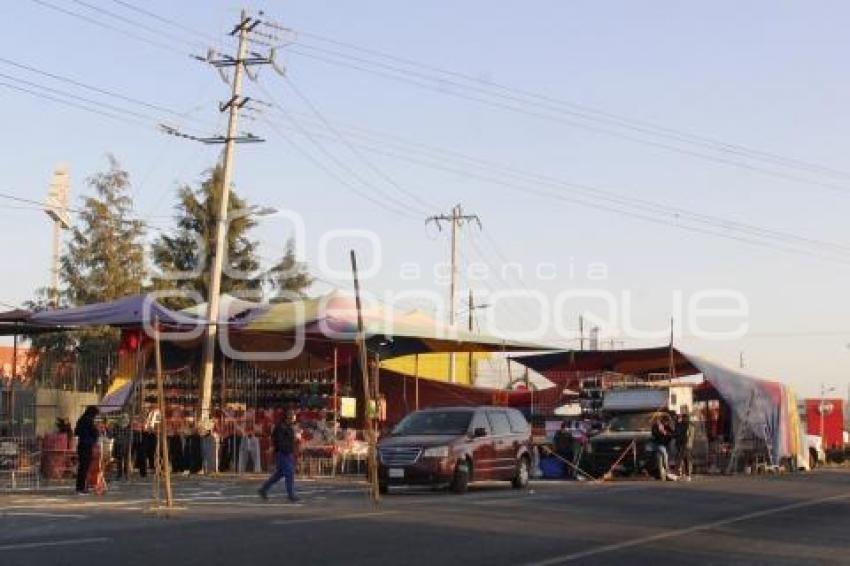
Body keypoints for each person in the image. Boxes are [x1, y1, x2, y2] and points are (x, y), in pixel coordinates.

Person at [258, 410, 299, 502]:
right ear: (288, 417)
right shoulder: (281, 427)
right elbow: (278, 440)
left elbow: (290, 439)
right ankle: (291, 494)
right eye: (292, 415)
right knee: (289, 473)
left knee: (279, 474)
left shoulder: (289, 427)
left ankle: (263, 489)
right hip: (283, 453)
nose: (294, 417)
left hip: (288, 452)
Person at [74, 406, 100, 494]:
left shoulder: (81, 419)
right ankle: (81, 488)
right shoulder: (88, 420)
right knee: (84, 467)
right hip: (87, 446)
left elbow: (76, 432)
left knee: (82, 467)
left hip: (81, 445)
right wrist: (94, 435)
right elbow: (95, 432)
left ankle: (80, 487)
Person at [651, 413, 677, 481]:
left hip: (665, 444)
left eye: (667, 421)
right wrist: (664, 434)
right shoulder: (656, 426)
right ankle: (667, 470)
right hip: (658, 444)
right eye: (666, 421)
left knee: (662, 457)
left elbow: (672, 432)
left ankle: (663, 474)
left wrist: (668, 434)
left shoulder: (666, 425)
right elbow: (656, 434)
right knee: (664, 454)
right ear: (663, 420)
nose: (667, 423)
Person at [676, 412, 695, 480]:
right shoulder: (680, 425)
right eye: (683, 418)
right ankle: (684, 473)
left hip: (686, 444)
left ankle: (686, 474)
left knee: (684, 458)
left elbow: (690, 436)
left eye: (685, 418)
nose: (683, 419)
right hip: (681, 444)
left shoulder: (690, 426)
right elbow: (678, 433)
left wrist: (688, 444)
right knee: (684, 459)